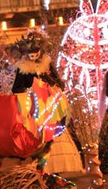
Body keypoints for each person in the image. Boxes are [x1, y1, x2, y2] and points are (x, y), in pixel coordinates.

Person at [12, 30, 83, 174]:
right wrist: (30, 90)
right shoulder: (23, 68)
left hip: (51, 109)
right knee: (39, 138)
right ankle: (41, 169)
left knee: (52, 136)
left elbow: (59, 83)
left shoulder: (47, 64)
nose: (33, 54)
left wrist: (50, 86)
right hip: (34, 110)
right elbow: (17, 88)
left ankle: (51, 170)